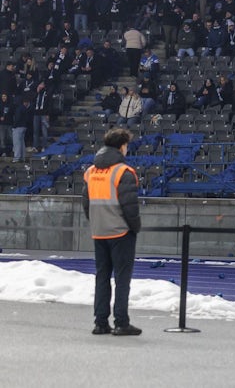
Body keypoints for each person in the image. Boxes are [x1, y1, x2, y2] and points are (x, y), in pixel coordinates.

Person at [82, 128, 142, 336]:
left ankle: (100, 322)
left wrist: (96, 222)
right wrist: (135, 227)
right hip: (120, 232)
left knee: (102, 277)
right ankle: (121, 322)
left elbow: (86, 203)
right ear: (122, 146)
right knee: (122, 279)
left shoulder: (91, 171)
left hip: (99, 231)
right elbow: (130, 206)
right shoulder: (123, 172)